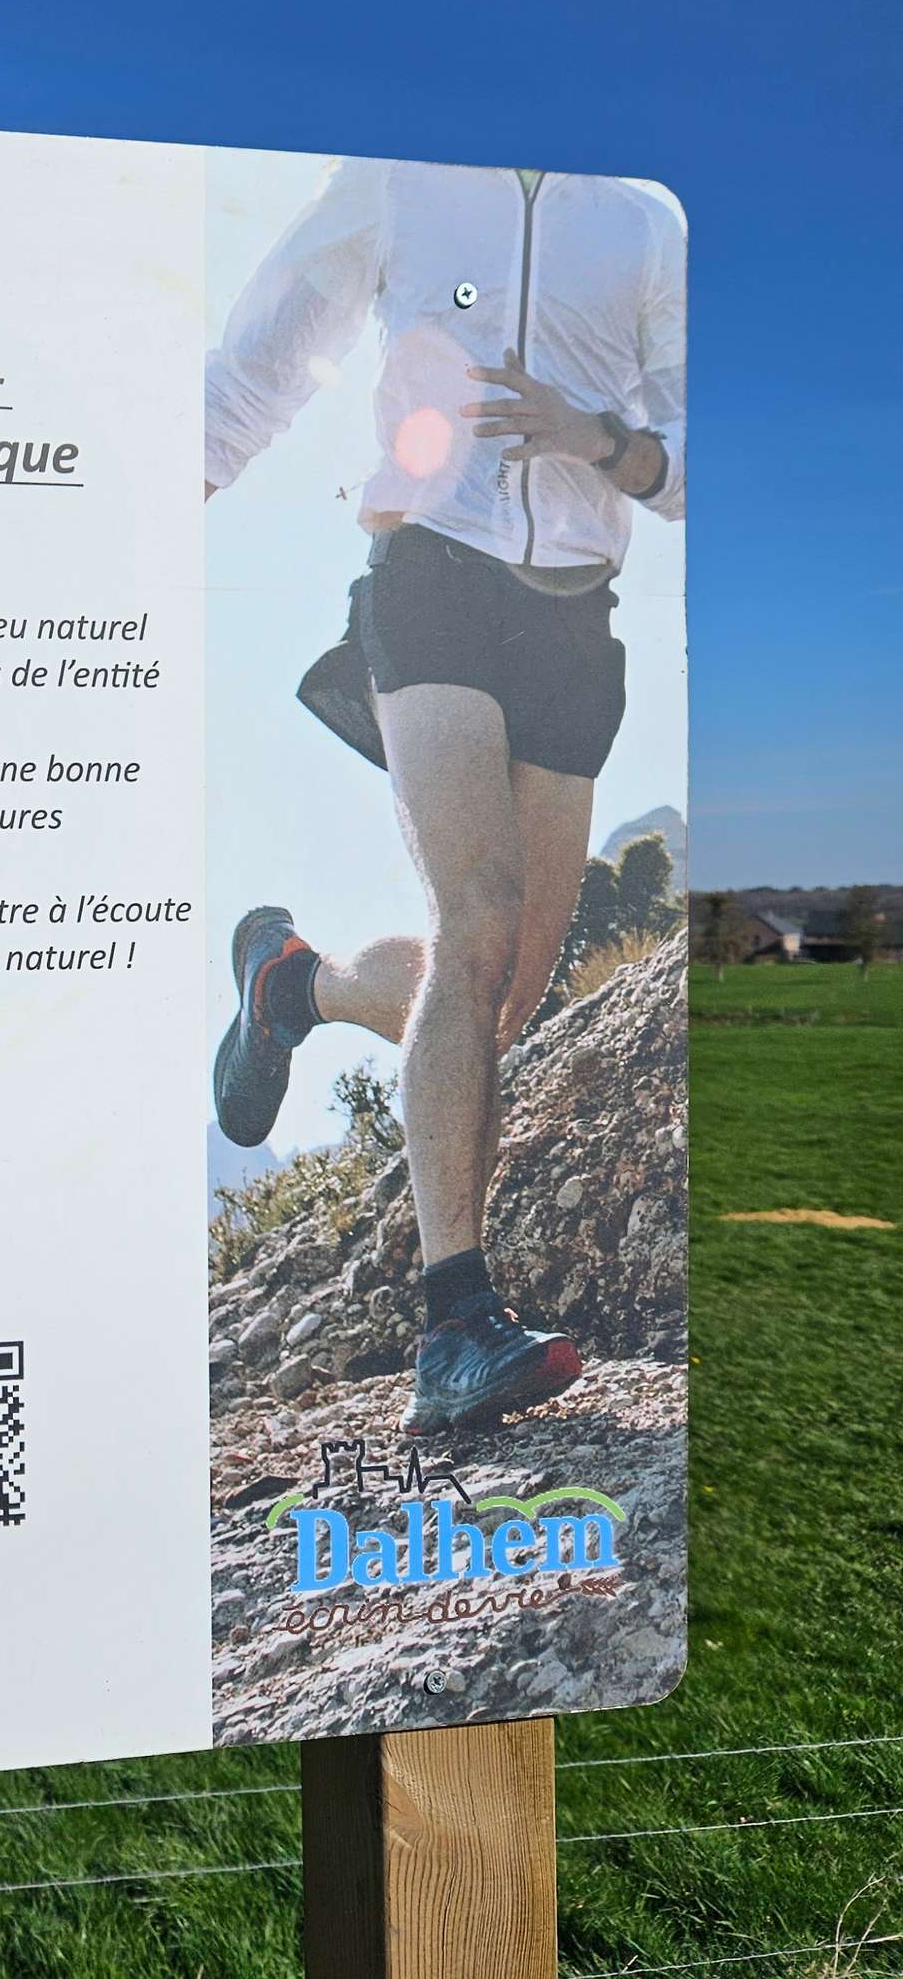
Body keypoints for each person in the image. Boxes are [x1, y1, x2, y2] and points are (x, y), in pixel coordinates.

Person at [205, 159, 685, 1432]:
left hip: (574, 622)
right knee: (472, 920)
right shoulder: (400, 178)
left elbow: (696, 463)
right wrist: (144, 509)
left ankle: (293, 986)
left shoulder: (640, 223)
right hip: (432, 577)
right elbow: (261, 356)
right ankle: (452, 1325)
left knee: (500, 996)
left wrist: (600, 441)